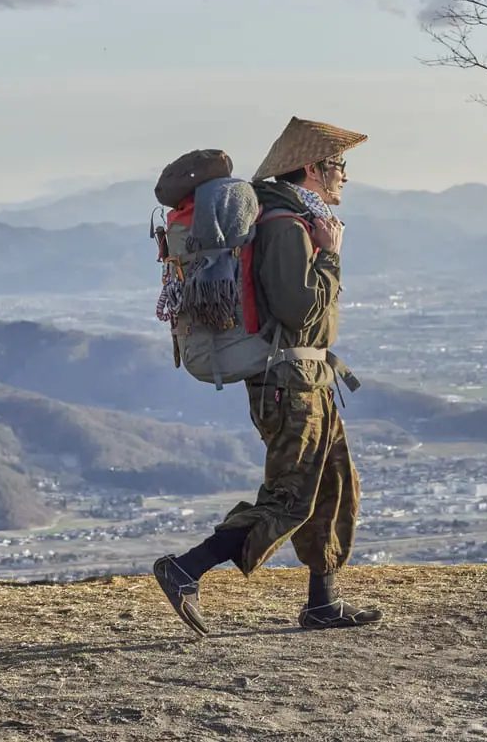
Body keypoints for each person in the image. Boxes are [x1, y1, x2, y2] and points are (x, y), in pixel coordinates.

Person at [153, 116, 381, 635]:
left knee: (334, 486)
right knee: (290, 494)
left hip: (308, 377)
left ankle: (323, 601)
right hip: (290, 382)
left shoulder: (299, 218)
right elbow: (300, 309)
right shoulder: (285, 225)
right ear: (312, 169)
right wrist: (329, 256)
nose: (345, 174)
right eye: (338, 165)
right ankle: (188, 568)